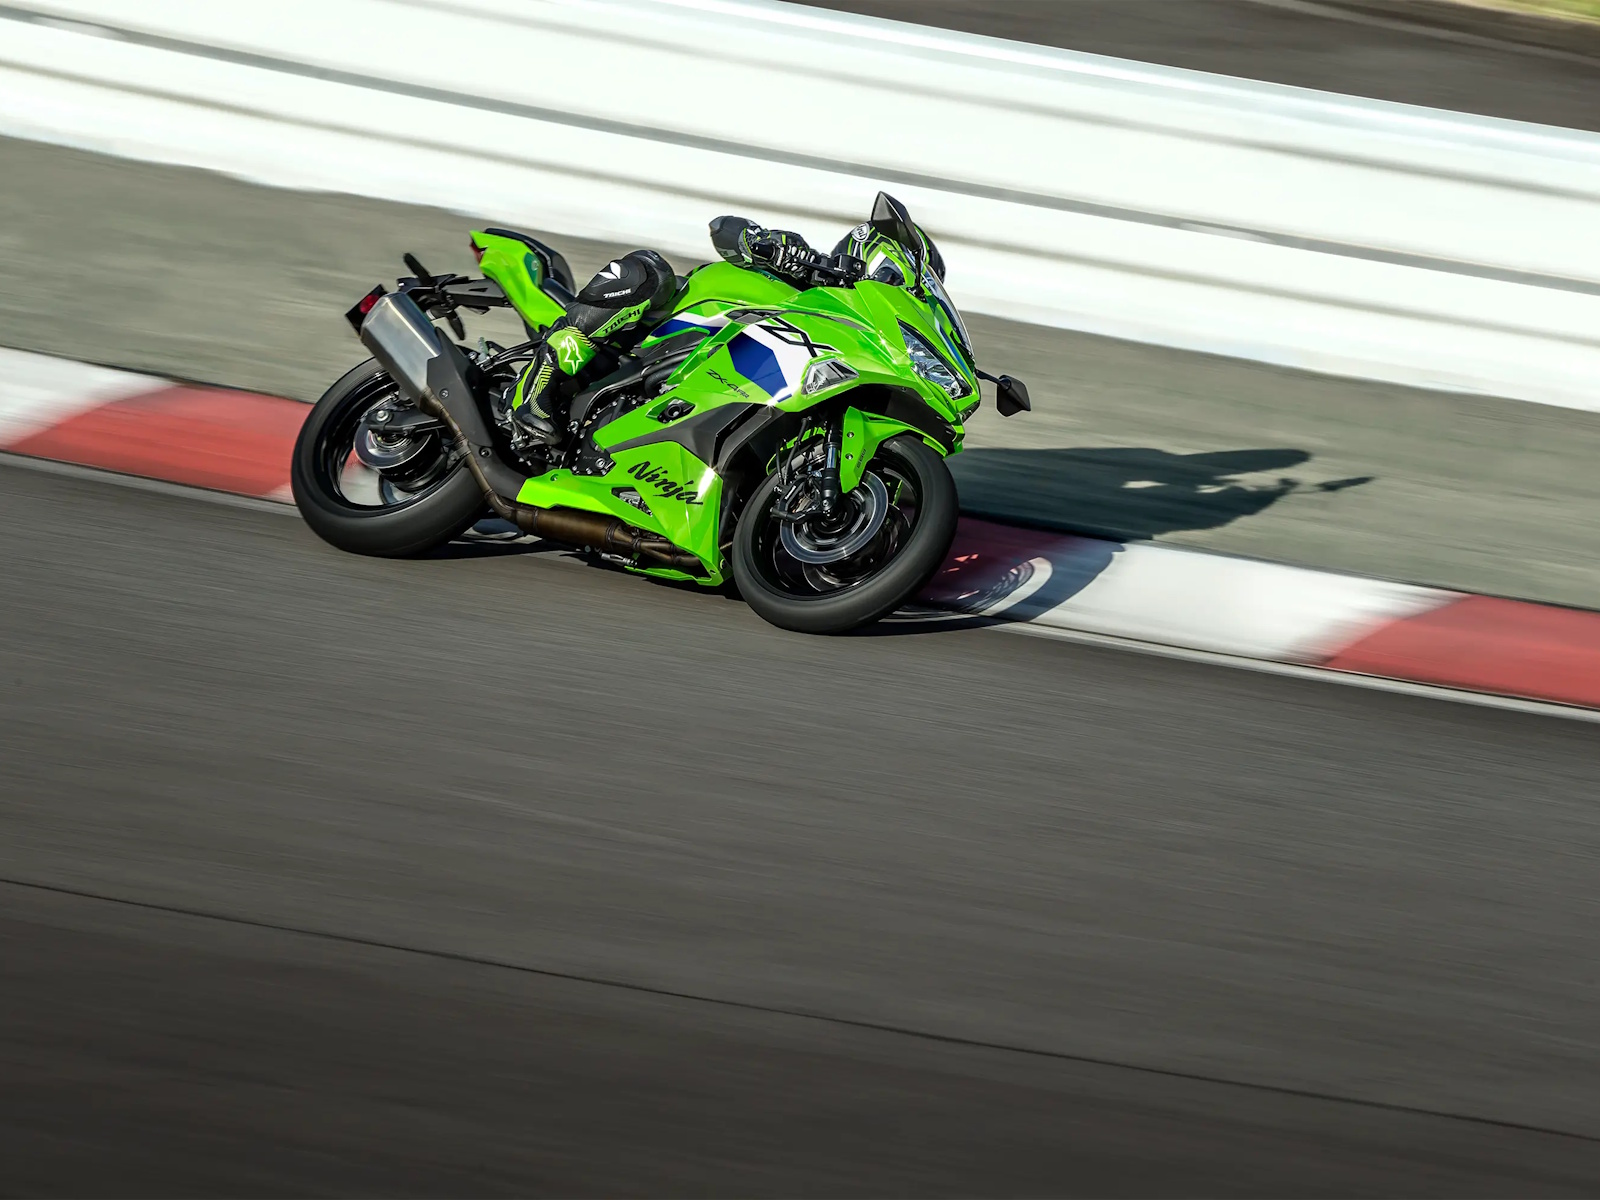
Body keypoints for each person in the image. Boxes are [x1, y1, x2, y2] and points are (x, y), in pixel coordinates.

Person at [508, 216, 835, 445]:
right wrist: (772, 247)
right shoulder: (808, 266)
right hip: (678, 318)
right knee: (648, 272)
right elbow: (724, 228)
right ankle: (535, 389)